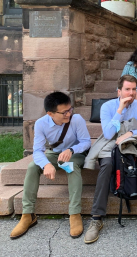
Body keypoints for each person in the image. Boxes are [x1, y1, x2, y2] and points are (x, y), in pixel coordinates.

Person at [83, 75, 137, 244]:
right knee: (106, 166)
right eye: (127, 89)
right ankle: (97, 218)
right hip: (111, 145)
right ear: (119, 91)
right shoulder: (107, 107)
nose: (131, 93)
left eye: (134, 89)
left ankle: (135, 167)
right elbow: (108, 134)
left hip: (133, 145)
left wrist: (131, 133)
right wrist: (120, 110)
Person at [10, 92, 91, 239]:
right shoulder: (41, 123)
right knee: (33, 167)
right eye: (64, 112)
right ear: (50, 113)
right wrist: (46, 164)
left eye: (70, 109)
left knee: (71, 166)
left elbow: (86, 142)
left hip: (75, 153)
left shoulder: (76, 119)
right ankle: (27, 214)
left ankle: (74, 213)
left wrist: (71, 150)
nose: (68, 114)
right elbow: (37, 151)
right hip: (54, 154)